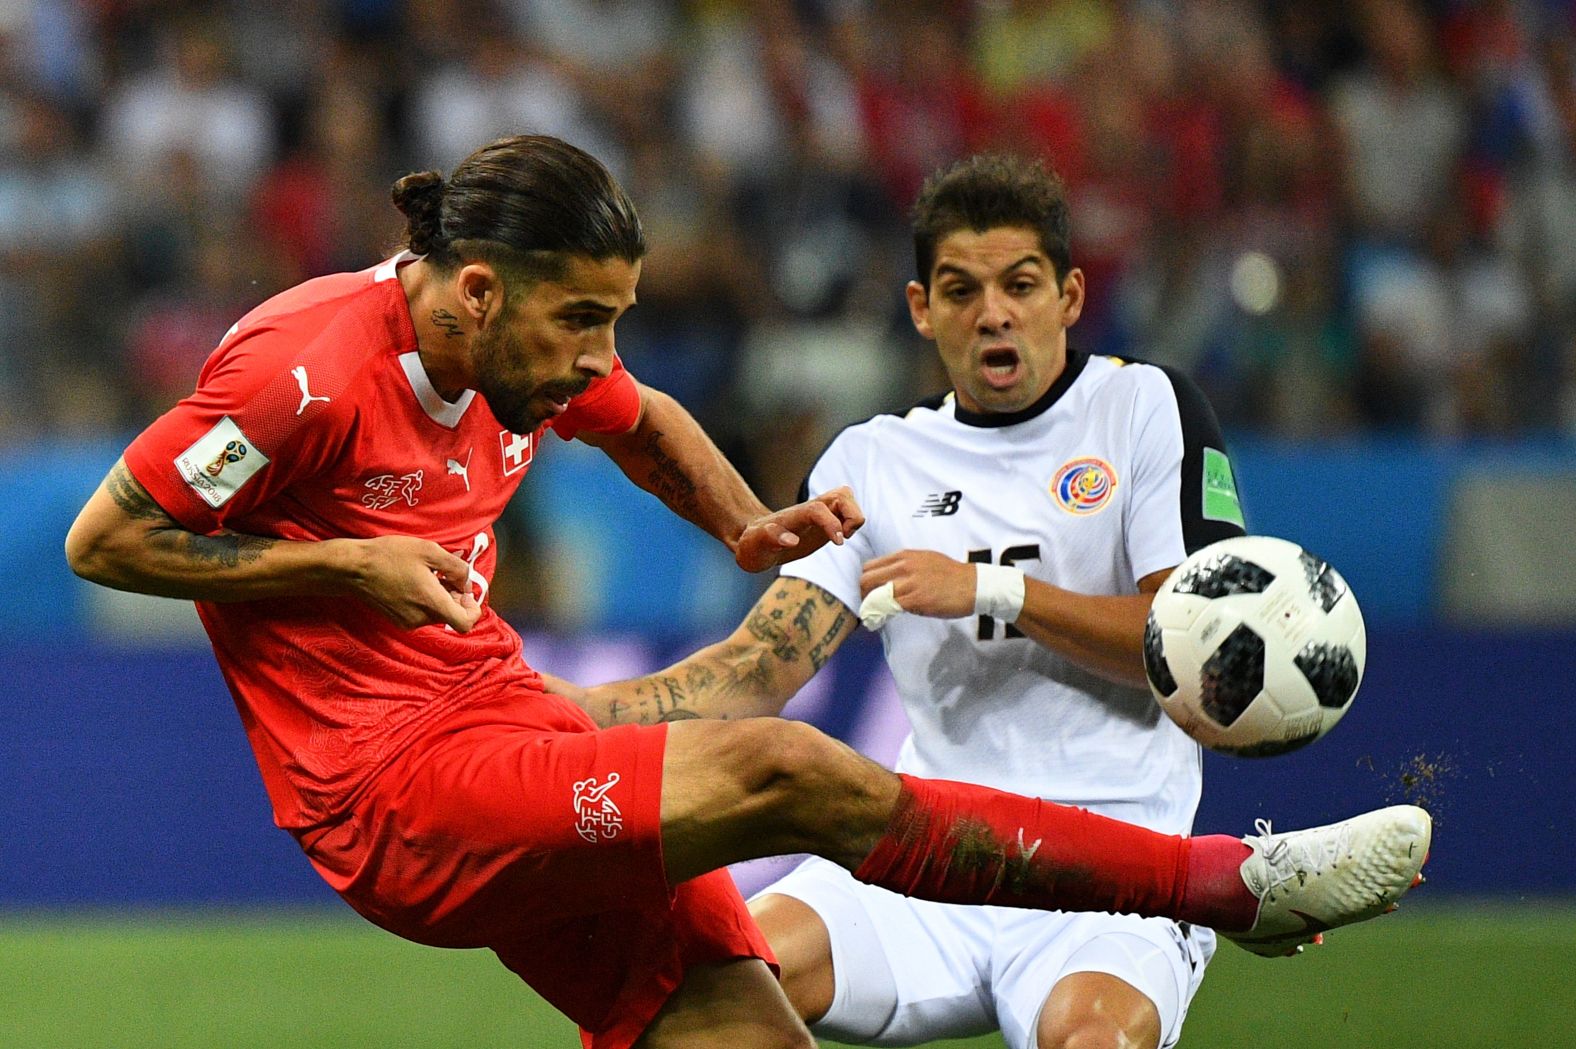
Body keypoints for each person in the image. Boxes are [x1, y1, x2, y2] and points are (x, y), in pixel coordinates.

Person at [65, 135, 1429, 1049]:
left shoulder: (518, 343)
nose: (601, 355)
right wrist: (342, 562)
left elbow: (643, 415)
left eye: (616, 315)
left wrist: (742, 524)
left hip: (499, 727)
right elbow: (107, 541)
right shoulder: (294, 374)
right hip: (392, 796)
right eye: (584, 322)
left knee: (741, 1020)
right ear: (475, 293)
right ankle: (1230, 886)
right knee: (789, 771)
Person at [561, 153, 1431, 1049]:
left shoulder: (1145, 408)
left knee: (1089, 1042)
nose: (993, 311)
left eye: (1020, 283)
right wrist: (572, 714)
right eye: (961, 288)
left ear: (1071, 295)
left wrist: (993, 589)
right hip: (924, 859)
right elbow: (754, 672)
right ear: (921, 308)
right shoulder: (874, 460)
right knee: (697, 990)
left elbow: (1194, 654)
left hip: (1115, 874)